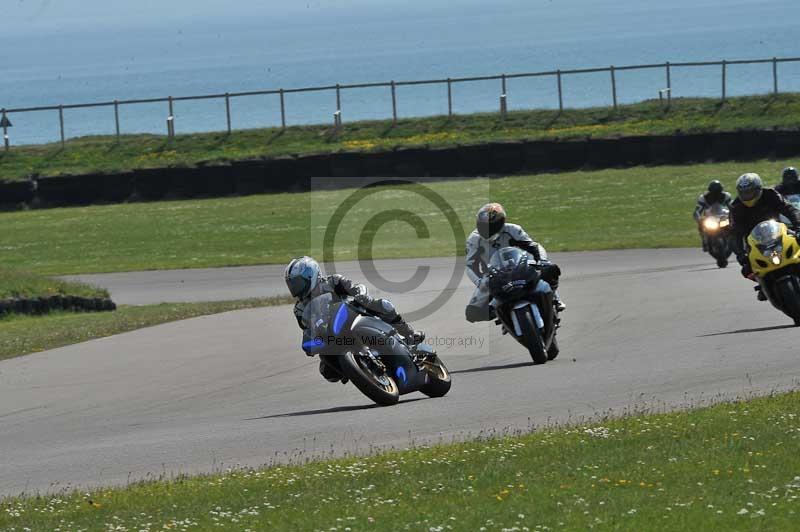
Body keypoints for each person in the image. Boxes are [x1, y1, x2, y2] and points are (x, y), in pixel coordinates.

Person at [285, 256, 424, 382]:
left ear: (311, 275)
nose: (295, 288)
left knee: (383, 305)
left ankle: (409, 333)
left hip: (353, 314)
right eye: (292, 285)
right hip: (332, 334)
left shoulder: (333, 281)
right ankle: (357, 370)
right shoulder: (299, 309)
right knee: (326, 370)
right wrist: (310, 343)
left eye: (297, 283)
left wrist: (361, 295)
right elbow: (307, 329)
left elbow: (357, 288)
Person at [465, 203, 564, 322]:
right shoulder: (474, 239)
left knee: (550, 269)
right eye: (483, 225)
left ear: (501, 222)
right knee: (471, 313)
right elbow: (470, 265)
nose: (487, 230)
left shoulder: (512, 229)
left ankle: (555, 298)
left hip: (520, 266)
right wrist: (480, 282)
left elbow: (534, 247)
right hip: (494, 276)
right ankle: (500, 312)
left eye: (492, 226)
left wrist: (542, 261)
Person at [731, 173, 800, 300]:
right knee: (746, 269)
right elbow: (735, 234)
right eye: (744, 193)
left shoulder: (771, 194)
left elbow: (789, 209)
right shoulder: (736, 207)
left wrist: (798, 226)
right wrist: (740, 253)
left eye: (750, 192)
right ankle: (763, 284)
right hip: (755, 242)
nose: (747, 196)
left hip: (779, 231)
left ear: (758, 189)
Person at [693, 180, 732, 252]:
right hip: (710, 218)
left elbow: (732, 208)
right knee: (701, 225)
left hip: (723, 216)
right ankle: (704, 240)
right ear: (710, 192)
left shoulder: (726, 196)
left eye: (718, 193)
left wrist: (732, 216)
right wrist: (699, 219)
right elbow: (697, 211)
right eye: (714, 193)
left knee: (734, 225)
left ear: (721, 191)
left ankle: (734, 240)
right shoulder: (703, 198)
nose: (716, 195)